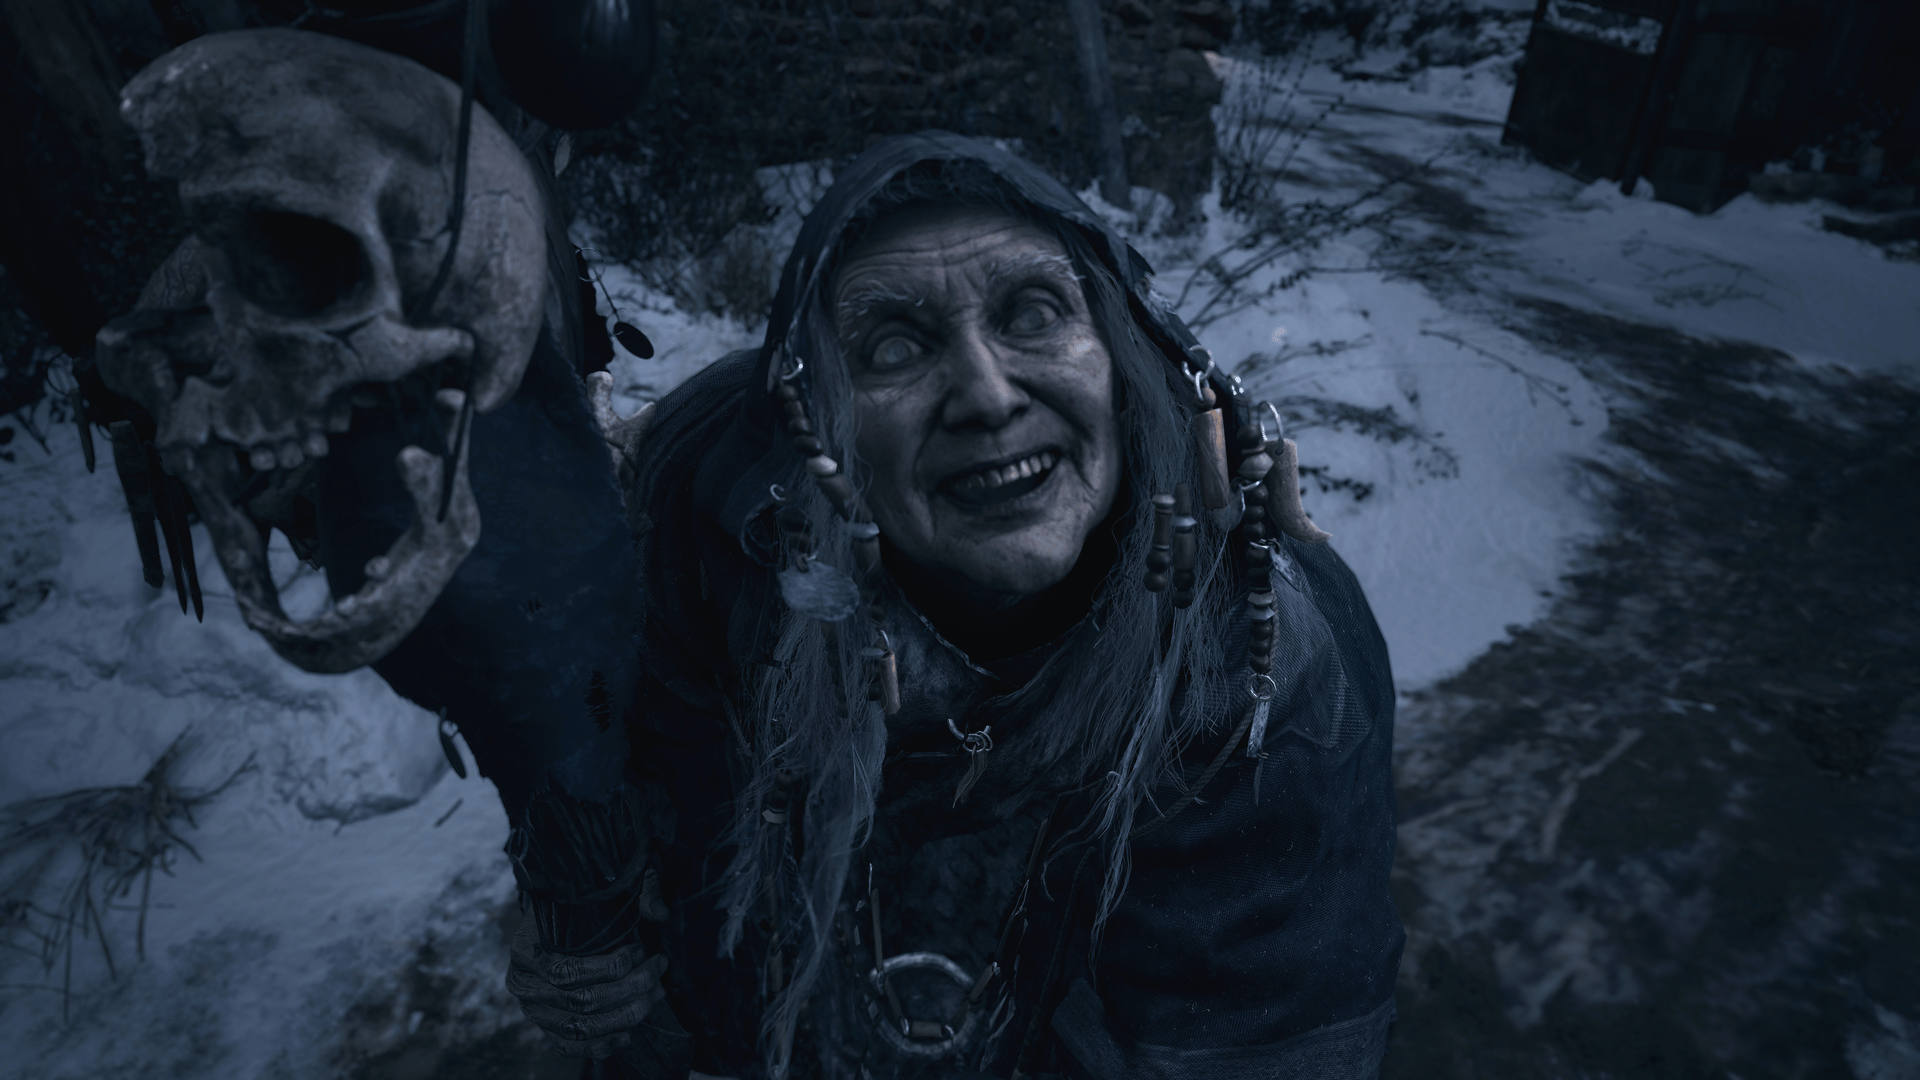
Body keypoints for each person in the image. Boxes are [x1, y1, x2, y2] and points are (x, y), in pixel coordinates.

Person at [502, 132, 1403, 1080]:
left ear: (1122, 357)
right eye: (895, 346)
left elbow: (1242, 1042)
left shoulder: (1261, 677)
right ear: (822, 420)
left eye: (1034, 314)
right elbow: (628, 744)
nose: (985, 394)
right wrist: (610, 932)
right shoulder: (718, 506)